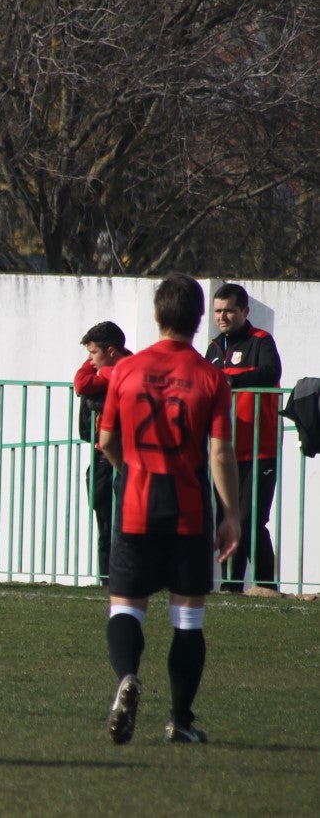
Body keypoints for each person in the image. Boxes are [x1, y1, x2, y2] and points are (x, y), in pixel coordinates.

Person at [98, 273, 239, 746]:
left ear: (157, 315)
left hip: (137, 503)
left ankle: (126, 678)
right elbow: (219, 453)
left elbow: (107, 441)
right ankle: (179, 719)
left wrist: (130, 468)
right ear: (200, 320)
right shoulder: (210, 377)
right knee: (187, 618)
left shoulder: (126, 371)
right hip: (189, 510)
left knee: (126, 606)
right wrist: (231, 514)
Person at [204, 282, 281, 593]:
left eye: (229, 311)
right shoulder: (213, 347)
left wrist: (225, 379)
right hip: (223, 451)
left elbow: (269, 373)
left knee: (251, 521)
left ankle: (266, 586)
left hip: (259, 449)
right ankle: (231, 587)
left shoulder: (261, 341)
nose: (223, 317)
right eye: (218, 311)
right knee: (226, 521)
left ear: (244, 312)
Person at [74, 321, 132, 585]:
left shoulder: (131, 369)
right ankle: (107, 579)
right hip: (99, 455)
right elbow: (81, 384)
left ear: (110, 351)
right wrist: (95, 365)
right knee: (104, 518)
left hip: (126, 455)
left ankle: (128, 576)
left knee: (127, 519)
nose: (89, 360)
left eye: (93, 353)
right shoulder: (101, 372)